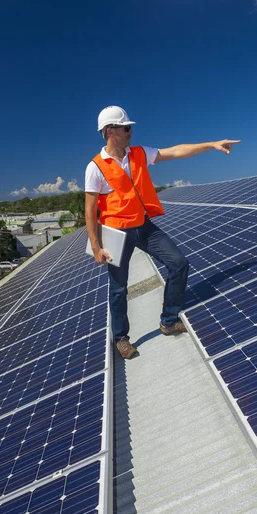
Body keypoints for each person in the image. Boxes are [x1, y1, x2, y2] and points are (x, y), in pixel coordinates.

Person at [85, 106, 240, 359]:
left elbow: (176, 151)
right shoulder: (95, 167)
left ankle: (168, 320)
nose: (131, 132)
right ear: (111, 132)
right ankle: (121, 338)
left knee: (179, 263)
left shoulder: (139, 153)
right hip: (115, 232)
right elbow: (90, 210)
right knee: (118, 289)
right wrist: (95, 246)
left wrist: (211, 144)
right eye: (126, 128)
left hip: (142, 226)